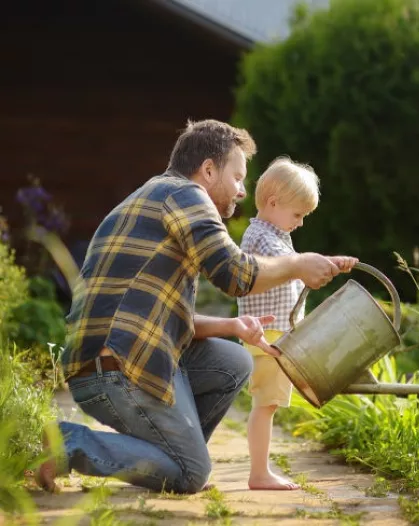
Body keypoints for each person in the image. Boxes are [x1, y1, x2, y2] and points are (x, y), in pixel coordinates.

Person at [37, 119, 356, 494]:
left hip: (117, 360)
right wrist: (298, 265)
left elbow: (161, 316)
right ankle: (70, 443)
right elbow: (234, 274)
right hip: (115, 369)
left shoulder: (154, 196)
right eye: (237, 178)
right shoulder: (188, 196)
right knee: (191, 475)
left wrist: (232, 327)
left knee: (235, 360)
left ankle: (172, 458)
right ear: (208, 170)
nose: (241, 191)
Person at [238, 158, 357, 490]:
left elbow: (298, 268)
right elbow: (290, 266)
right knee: (266, 404)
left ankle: (260, 470)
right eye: (298, 215)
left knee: (268, 403)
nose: (301, 223)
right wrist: (319, 264)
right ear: (273, 203)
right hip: (270, 336)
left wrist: (328, 264)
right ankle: (259, 473)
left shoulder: (271, 234)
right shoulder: (261, 238)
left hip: (276, 334)